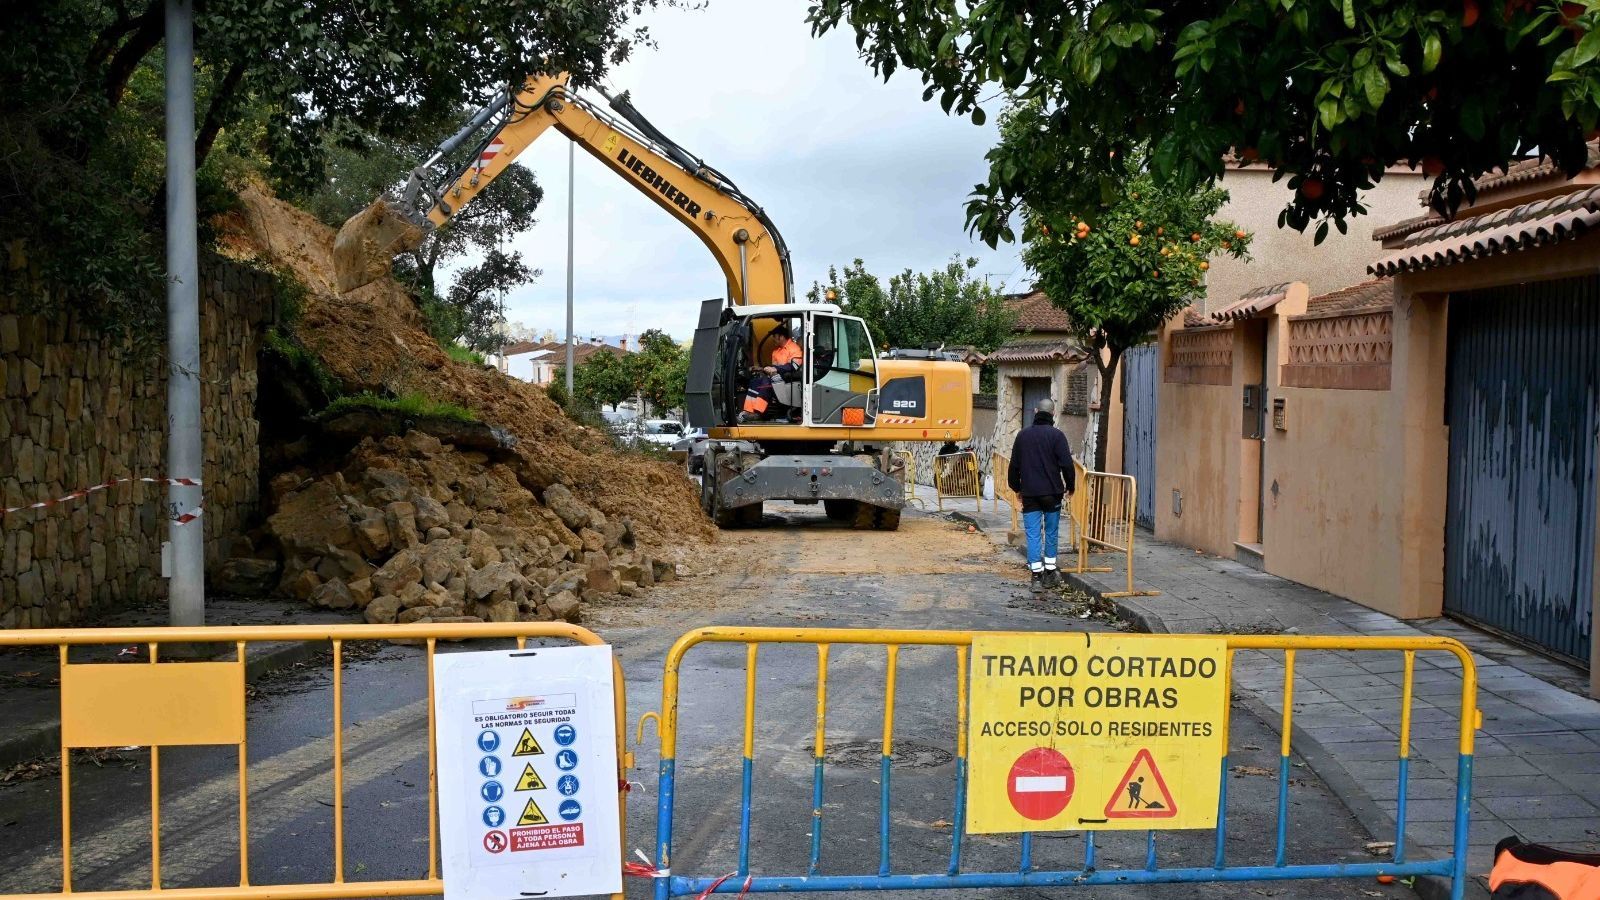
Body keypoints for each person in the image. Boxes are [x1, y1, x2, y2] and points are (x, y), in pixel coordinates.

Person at [1007, 397, 1076, 594]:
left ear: (1036, 411)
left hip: (1030, 494)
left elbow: (1014, 466)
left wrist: (1016, 488)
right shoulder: (1057, 436)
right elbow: (1066, 465)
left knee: (1033, 534)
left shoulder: (1023, 436)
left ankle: (1035, 577)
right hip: (1052, 493)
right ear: (1053, 413)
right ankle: (1050, 573)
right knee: (1052, 532)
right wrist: (1071, 486)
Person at [740, 323, 803, 422]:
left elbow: (794, 366)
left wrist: (776, 369)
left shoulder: (794, 348)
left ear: (781, 337)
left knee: (766, 383)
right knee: (755, 382)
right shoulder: (776, 351)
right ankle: (748, 411)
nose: (773, 339)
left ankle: (758, 413)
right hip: (777, 376)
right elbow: (773, 367)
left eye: (774, 336)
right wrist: (761, 369)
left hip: (789, 377)